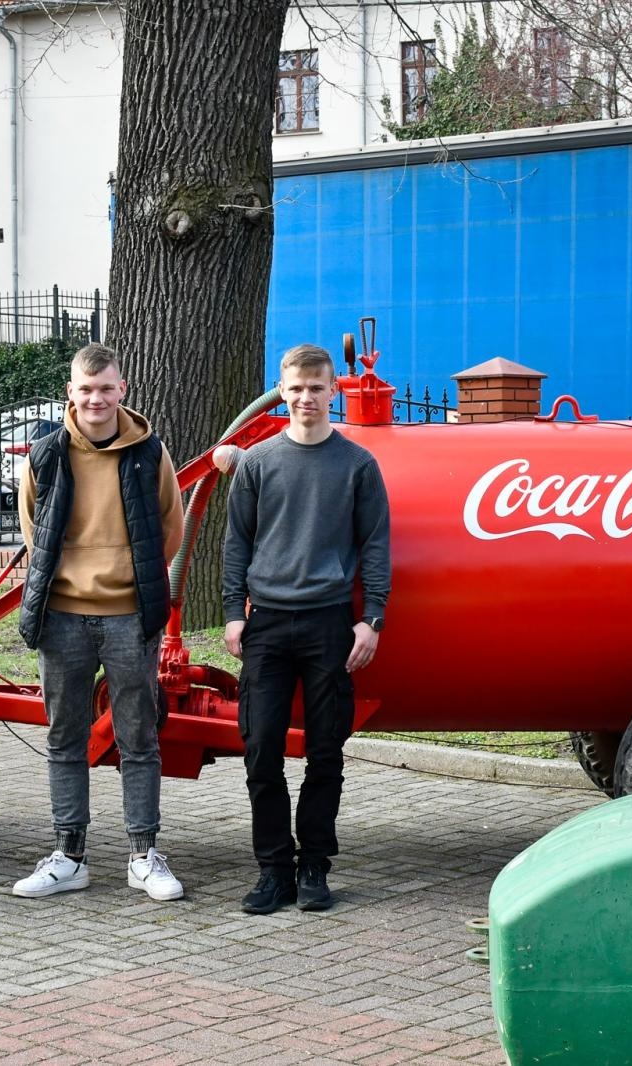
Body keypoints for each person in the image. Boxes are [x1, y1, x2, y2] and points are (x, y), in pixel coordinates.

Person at [12, 342, 186, 902]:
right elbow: (34, 531)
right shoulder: (45, 455)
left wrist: (132, 584)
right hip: (62, 615)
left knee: (138, 737)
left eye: (106, 388)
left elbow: (170, 527)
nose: (96, 399)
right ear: (70, 393)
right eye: (85, 390)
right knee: (66, 736)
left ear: (122, 391)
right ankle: (69, 855)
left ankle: (143, 854)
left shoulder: (149, 453)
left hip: (130, 618)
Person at [222, 343, 392, 914]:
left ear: (332, 392)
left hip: (329, 624)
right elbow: (236, 545)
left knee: (326, 751)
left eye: (316, 389)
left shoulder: (358, 466)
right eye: (295, 389)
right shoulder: (258, 463)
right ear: (283, 390)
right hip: (266, 623)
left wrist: (371, 620)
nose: (305, 399)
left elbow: (376, 548)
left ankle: (315, 864)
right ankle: (275, 870)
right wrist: (230, 613)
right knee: (261, 749)